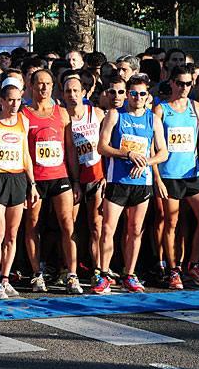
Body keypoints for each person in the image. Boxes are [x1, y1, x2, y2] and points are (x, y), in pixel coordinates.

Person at [94, 76, 168, 294]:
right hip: (118, 181)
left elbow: (163, 152)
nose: (137, 98)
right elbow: (102, 147)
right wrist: (127, 154)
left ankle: (129, 274)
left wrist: (146, 161)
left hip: (141, 183)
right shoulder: (116, 115)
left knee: (135, 230)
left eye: (142, 94)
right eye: (133, 93)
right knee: (108, 229)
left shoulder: (152, 119)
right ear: (127, 95)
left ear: (147, 97)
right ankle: (103, 274)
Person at [152, 64, 199, 289]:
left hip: (193, 173)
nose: (184, 88)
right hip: (170, 176)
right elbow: (154, 148)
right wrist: (157, 178)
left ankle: (193, 264)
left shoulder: (195, 107)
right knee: (172, 223)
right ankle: (173, 270)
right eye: (180, 83)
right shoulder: (161, 110)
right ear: (171, 83)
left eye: (189, 83)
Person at [22, 70, 83, 295]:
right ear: (31, 86)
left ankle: (72, 274)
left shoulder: (62, 113)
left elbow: (70, 150)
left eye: (48, 84)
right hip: (36, 178)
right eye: (40, 84)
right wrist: (29, 182)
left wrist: (75, 181)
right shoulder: (25, 114)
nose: (44, 88)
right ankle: (37, 273)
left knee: (67, 224)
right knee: (33, 224)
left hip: (60, 176)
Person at [0, 79, 39, 300]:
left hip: (18, 179)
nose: (14, 104)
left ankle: (5, 278)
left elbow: (26, 155)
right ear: (1, 101)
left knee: (12, 235)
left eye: (18, 100)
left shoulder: (23, 120)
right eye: (10, 100)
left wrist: (32, 184)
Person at [64, 75, 106, 285]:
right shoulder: (62, 118)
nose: (72, 95)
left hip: (96, 175)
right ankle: (70, 270)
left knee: (96, 226)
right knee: (70, 227)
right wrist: (74, 181)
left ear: (84, 93)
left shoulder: (96, 113)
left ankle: (98, 271)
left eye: (75, 91)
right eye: (68, 91)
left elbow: (107, 145)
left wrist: (106, 175)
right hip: (74, 178)